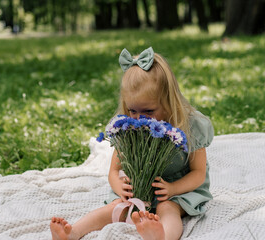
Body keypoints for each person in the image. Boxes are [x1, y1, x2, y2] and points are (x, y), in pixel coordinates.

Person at [50, 47, 214, 240]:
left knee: (167, 208)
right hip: (138, 191)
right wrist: (119, 186)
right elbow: (114, 170)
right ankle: (73, 232)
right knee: (116, 208)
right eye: (133, 110)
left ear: (169, 101)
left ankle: (164, 237)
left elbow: (198, 173)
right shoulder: (129, 127)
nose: (139, 118)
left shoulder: (190, 125)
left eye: (149, 111)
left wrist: (172, 189)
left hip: (178, 190)